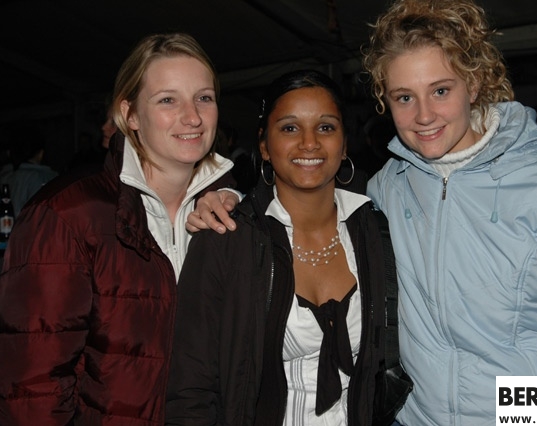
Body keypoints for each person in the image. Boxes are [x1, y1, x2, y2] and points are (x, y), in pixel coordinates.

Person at [361, 0, 537, 424]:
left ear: (474, 84)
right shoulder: (388, 187)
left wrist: (513, 414)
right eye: (405, 97)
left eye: (441, 91)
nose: (424, 115)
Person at [0, 32, 238, 425]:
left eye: (204, 97)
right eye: (167, 100)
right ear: (130, 115)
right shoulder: (68, 214)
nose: (193, 117)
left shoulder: (232, 215)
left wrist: (233, 194)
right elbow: (31, 392)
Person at [166, 70, 390, 425]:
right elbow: (190, 389)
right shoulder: (225, 239)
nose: (309, 143)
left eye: (326, 127)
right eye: (289, 128)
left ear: (344, 143)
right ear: (264, 146)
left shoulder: (374, 231)